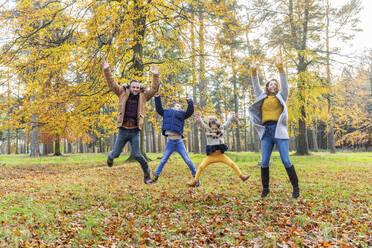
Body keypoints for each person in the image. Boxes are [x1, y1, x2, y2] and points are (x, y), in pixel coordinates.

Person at [248, 57, 300, 198]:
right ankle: (265, 189)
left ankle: (295, 187)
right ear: (267, 86)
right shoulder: (262, 96)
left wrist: (280, 68)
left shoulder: (282, 96)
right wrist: (254, 70)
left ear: (277, 87)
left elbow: (285, 84)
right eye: (271, 84)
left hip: (279, 131)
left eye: (275, 84)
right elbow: (255, 85)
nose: (273, 85)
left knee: (286, 160)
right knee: (264, 161)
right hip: (266, 132)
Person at [102, 60, 160, 184]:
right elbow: (112, 84)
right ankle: (110, 156)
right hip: (123, 130)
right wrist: (107, 69)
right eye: (133, 87)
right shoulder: (122, 93)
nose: (135, 89)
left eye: (137, 88)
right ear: (130, 87)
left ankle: (147, 177)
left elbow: (154, 89)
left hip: (135, 131)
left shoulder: (143, 96)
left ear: (140, 89)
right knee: (116, 154)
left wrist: (155, 75)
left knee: (138, 155)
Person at [187, 113, 250, 187]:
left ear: (218, 127)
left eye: (215, 129)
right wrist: (198, 118)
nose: (214, 130)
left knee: (232, 164)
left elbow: (228, 123)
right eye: (212, 129)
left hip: (220, 155)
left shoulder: (221, 130)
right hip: (211, 156)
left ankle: (242, 176)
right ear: (210, 127)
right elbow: (201, 124)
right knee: (201, 167)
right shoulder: (207, 130)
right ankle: (195, 181)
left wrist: (233, 117)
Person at [149, 95, 197, 184]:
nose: (179, 107)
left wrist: (190, 101)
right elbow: (159, 109)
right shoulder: (167, 112)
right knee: (163, 160)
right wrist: (157, 97)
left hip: (179, 142)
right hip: (170, 142)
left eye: (180, 107)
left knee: (187, 160)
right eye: (178, 106)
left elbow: (190, 112)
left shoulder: (182, 114)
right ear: (173, 106)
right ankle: (155, 177)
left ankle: (196, 178)